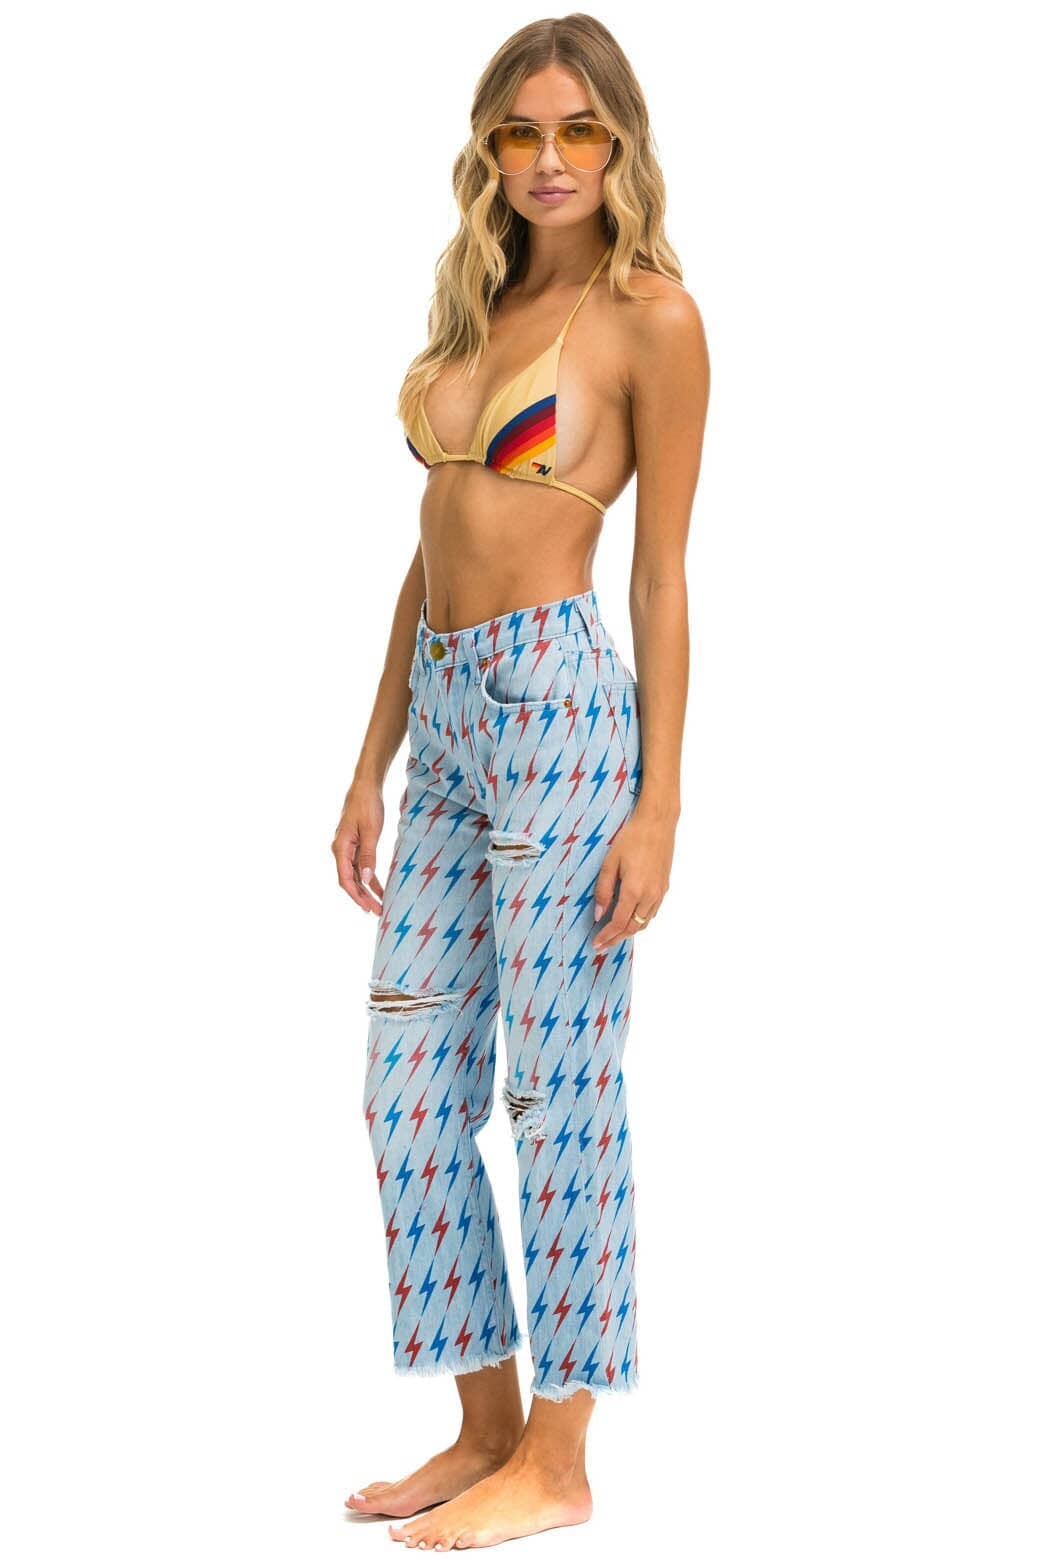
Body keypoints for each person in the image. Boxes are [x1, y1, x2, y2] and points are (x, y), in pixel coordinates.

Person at [333, 15, 709, 1550]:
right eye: (519, 133)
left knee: (559, 1092)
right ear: (488, 150)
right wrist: (370, 760)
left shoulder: (650, 320)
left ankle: (559, 1458)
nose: (548, 160)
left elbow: (661, 578)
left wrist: (659, 803)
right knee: (408, 1086)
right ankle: (483, 1427)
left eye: (578, 132)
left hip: (559, 714)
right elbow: (433, 550)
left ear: (620, 144)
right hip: (444, 717)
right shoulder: (477, 306)